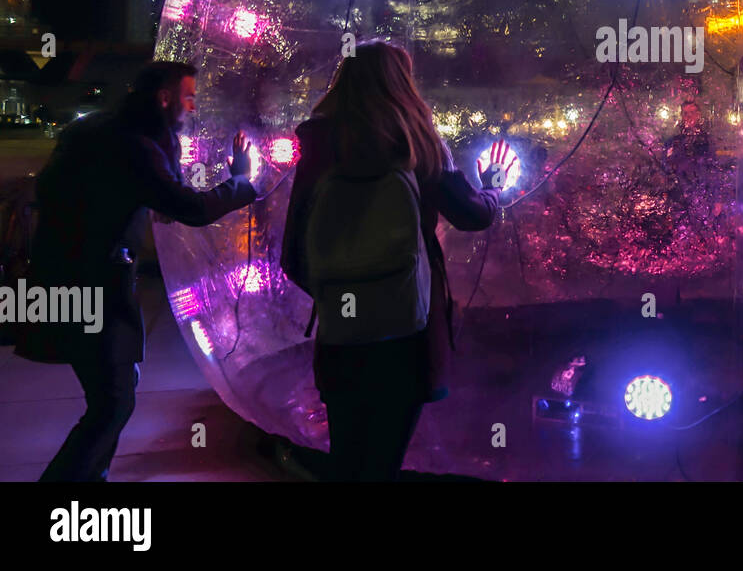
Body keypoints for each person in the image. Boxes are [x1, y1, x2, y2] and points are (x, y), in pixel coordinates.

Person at [16, 61, 257, 481]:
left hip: (63, 279)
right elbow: (189, 207)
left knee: (113, 390)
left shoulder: (94, 129)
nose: (192, 107)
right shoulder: (136, 146)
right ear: (163, 98)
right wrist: (240, 181)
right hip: (94, 287)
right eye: (188, 97)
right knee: (113, 401)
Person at [280, 40, 509, 481]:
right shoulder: (416, 141)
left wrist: (343, 294)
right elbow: (472, 215)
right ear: (402, 84)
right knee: (385, 458)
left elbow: (294, 254)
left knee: (347, 459)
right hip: (408, 331)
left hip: (342, 336)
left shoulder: (320, 145)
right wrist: (493, 188)